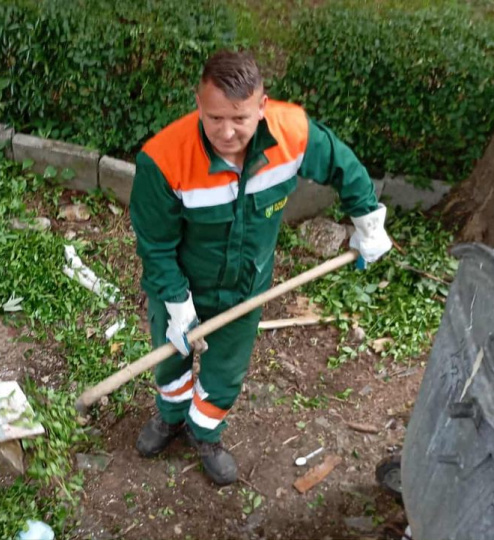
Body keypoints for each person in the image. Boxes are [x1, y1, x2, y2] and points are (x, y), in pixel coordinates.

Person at [129, 50, 392, 486]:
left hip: (247, 288)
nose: (227, 132)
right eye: (215, 118)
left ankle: (204, 433)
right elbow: (155, 244)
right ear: (198, 102)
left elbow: (342, 164)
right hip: (179, 283)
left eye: (240, 118)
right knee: (171, 360)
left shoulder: (291, 133)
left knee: (226, 369)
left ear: (262, 107)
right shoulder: (163, 159)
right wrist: (176, 302)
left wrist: (368, 222)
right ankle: (171, 416)